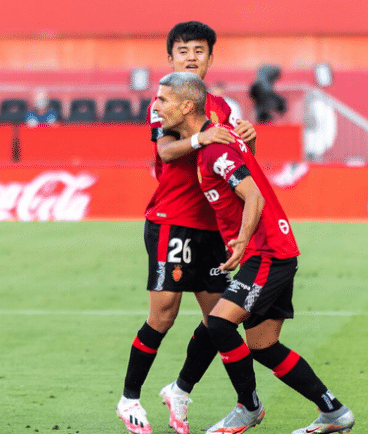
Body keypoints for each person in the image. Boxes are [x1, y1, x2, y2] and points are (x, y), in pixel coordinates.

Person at [153, 71, 354, 434]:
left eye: (163, 99)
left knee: (219, 323)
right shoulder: (217, 140)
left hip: (266, 252)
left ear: (186, 107)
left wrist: (242, 241)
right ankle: (334, 412)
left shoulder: (214, 149)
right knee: (264, 346)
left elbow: (254, 195)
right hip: (275, 250)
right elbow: (245, 173)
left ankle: (248, 407)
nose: (156, 106)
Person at [116, 21, 258, 434]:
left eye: (199, 50)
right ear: (171, 59)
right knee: (163, 315)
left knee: (219, 320)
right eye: (183, 50)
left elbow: (237, 159)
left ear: (210, 58)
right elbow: (166, 150)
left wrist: (248, 139)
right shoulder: (163, 102)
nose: (191, 57)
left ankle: (182, 390)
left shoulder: (223, 107)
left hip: (211, 226)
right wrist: (200, 140)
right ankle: (129, 399)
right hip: (171, 221)